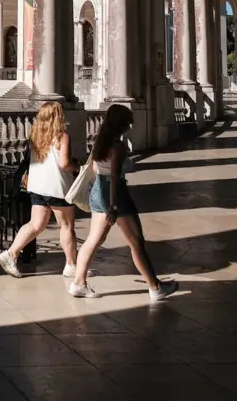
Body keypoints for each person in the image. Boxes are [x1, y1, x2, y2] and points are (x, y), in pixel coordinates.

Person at [68, 103, 179, 301]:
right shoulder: (118, 147)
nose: (131, 125)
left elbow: (95, 169)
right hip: (115, 193)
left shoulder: (100, 142)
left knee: (94, 239)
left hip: (98, 190)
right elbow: (114, 176)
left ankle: (78, 283)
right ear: (121, 123)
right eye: (128, 121)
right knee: (136, 241)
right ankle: (155, 287)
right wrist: (113, 206)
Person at [0, 102, 81, 279]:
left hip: (37, 186)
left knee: (35, 224)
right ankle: (71, 265)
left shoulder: (36, 136)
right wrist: (77, 167)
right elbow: (64, 163)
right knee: (66, 226)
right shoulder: (62, 136)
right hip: (58, 187)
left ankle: (11, 253)